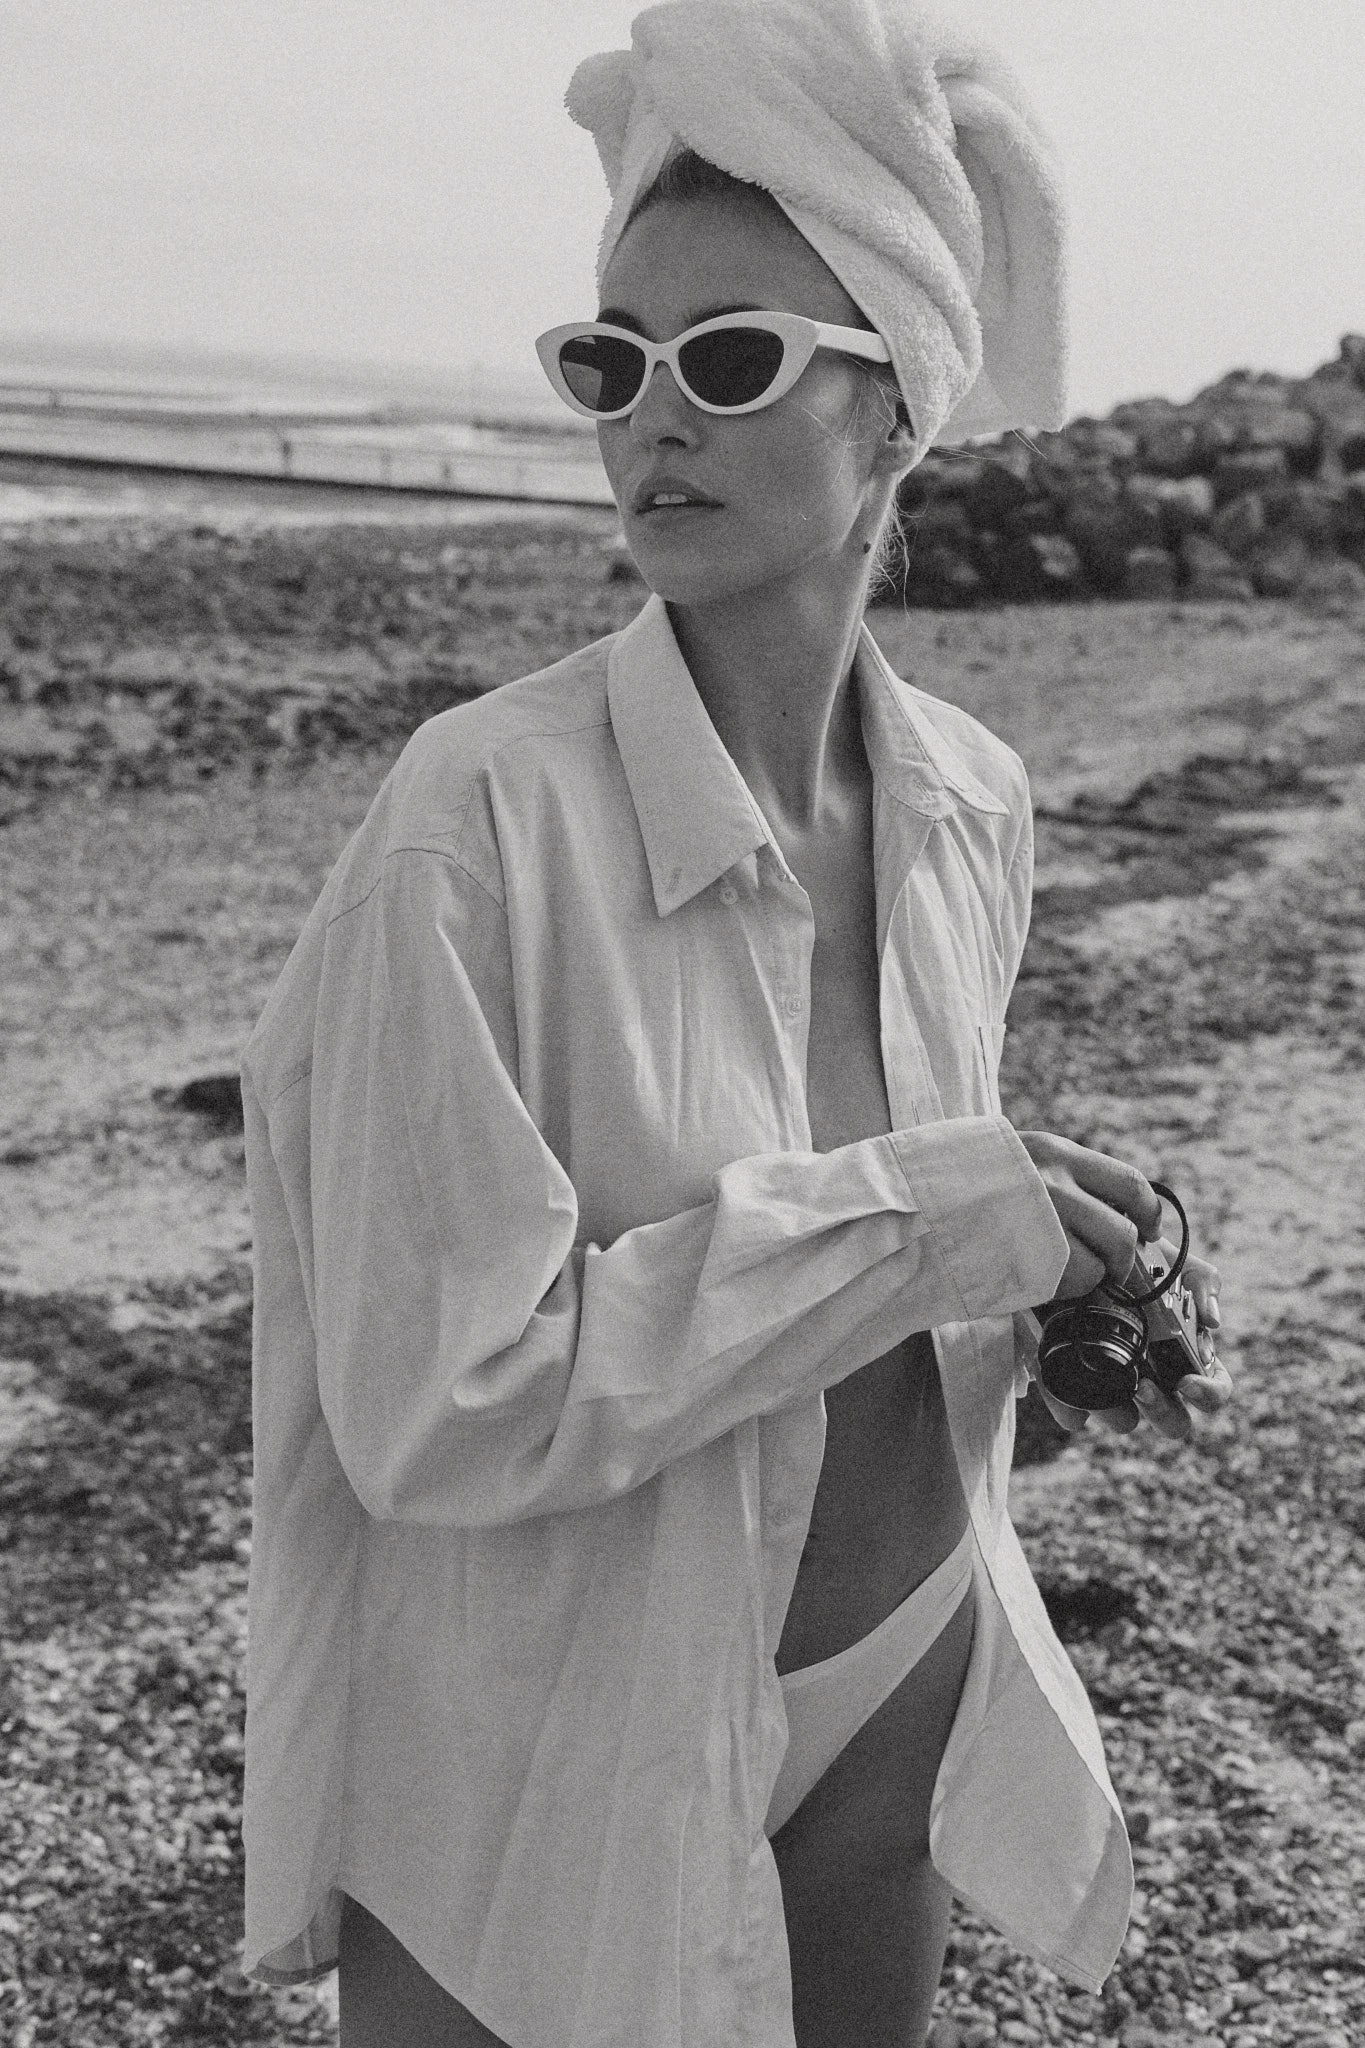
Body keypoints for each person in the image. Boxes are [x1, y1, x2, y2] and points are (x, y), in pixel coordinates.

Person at [238, 5, 1231, 2045]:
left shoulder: (970, 801)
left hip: (904, 1659)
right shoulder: (474, 821)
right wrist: (928, 1218)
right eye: (612, 359)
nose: (651, 418)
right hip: (531, 1728)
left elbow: (870, 1271)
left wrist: (1052, 1297)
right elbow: (444, 1398)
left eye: (732, 358)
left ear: (901, 402)